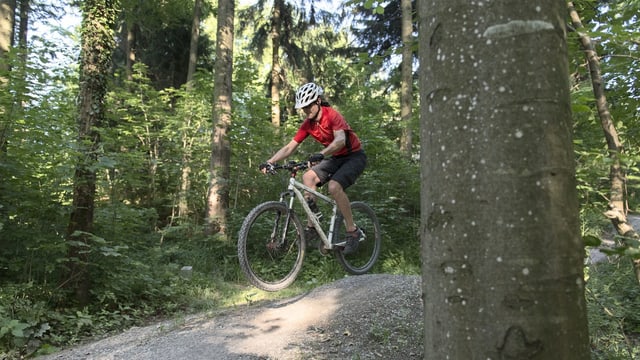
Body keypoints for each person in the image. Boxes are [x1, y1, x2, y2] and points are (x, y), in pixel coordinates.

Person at [260, 82, 367, 254]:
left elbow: (340, 140)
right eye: (303, 107)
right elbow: (289, 147)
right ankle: (312, 226)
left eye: (309, 105)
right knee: (308, 177)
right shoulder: (308, 125)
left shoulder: (332, 115)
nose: (306, 110)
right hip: (336, 158)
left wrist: (321, 153)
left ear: (317, 101)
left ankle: (353, 231)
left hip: (354, 156)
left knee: (334, 186)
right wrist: (270, 161)